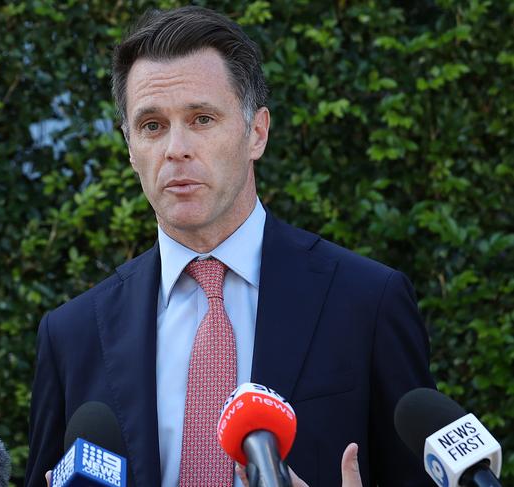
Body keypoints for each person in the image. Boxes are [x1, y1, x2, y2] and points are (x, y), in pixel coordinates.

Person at [25, 6, 436, 487]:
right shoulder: (72, 335)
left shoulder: (367, 302)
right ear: (130, 147)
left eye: (201, 118)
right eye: (152, 125)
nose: (175, 148)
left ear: (256, 133)